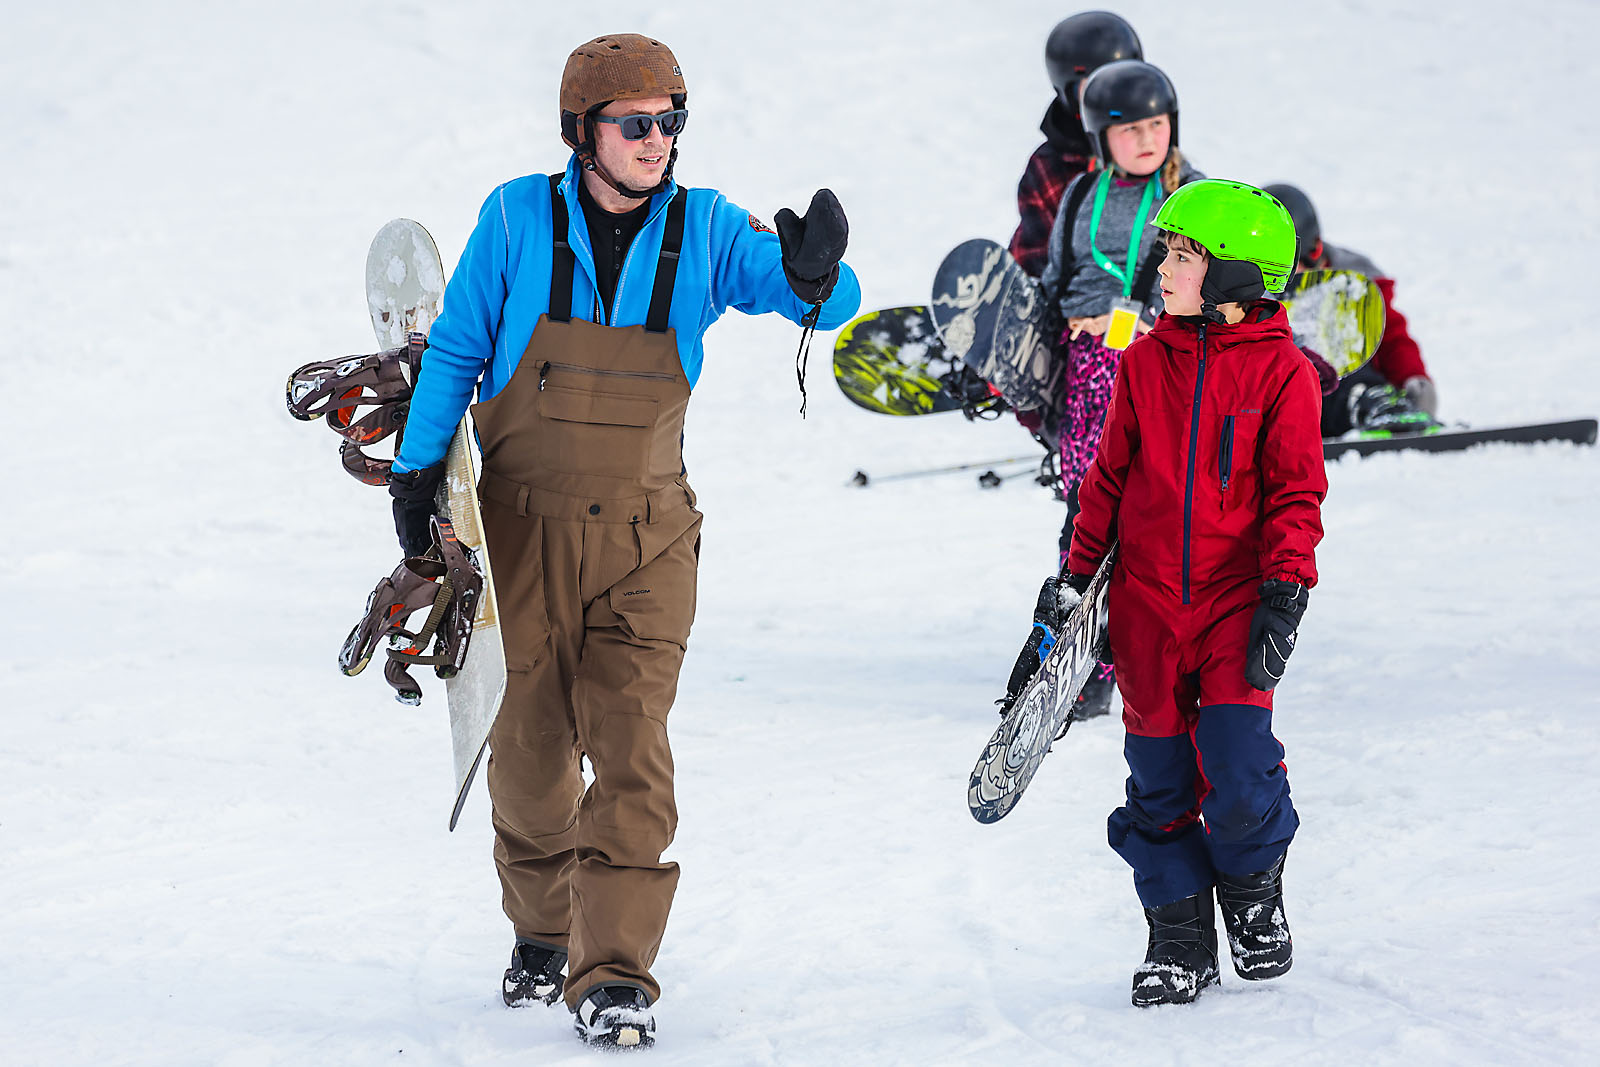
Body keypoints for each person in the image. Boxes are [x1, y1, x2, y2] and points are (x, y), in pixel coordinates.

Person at [383, 34, 860, 1049]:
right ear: (581, 132)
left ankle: (614, 972)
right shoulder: (517, 217)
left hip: (647, 542)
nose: (657, 142)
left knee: (634, 755)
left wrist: (817, 276)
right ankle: (544, 927)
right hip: (516, 536)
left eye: (669, 121)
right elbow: (461, 343)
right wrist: (419, 475)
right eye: (635, 123)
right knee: (532, 762)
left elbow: (814, 296)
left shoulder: (705, 229)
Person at [1051, 179, 1325, 1006]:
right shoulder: (1144, 365)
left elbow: (1294, 493)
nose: (1161, 267)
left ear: (1236, 276)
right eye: (1167, 252)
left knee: (1238, 769)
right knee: (1160, 780)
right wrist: (1070, 579)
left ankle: (1249, 888)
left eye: (1181, 255)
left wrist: (1286, 590)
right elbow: (1105, 480)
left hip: (1237, 601)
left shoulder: (1285, 374)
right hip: (1144, 607)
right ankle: (1177, 933)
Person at [1023, 58, 1197, 720]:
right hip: (1087, 365)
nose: (1147, 140)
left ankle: (1141, 648)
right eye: (1130, 131)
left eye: (1157, 126)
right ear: (1101, 138)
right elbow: (1057, 274)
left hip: (1157, 363)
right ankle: (1080, 649)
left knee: (1142, 512)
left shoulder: (1192, 194)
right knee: (1090, 508)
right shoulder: (1081, 197)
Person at [1263, 182, 1439, 436]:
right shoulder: (1257, 294)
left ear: (1314, 251)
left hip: (1353, 378)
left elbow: (1391, 338)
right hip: (1292, 399)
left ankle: (1376, 404)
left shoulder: (1353, 281)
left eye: (1291, 266)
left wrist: (1413, 379)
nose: (1286, 280)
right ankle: (1362, 404)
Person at [1008, 11, 1144, 278]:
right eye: (1093, 85)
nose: (1109, 95)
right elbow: (1035, 250)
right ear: (1067, 91)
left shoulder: (1152, 151)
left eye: (1120, 82)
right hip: (1071, 297)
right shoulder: (1050, 166)